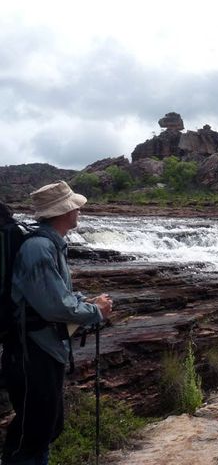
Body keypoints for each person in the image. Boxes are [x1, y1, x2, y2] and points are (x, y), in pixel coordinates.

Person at [1, 181, 113, 465]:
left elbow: (55, 295)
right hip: (30, 352)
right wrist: (95, 311)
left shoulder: (51, 244)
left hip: (45, 349)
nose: (78, 209)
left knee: (47, 427)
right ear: (64, 211)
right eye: (74, 205)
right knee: (32, 433)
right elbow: (54, 306)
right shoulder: (39, 248)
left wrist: (87, 303)